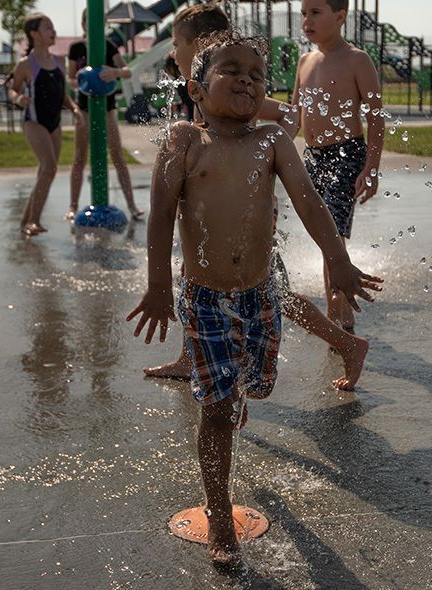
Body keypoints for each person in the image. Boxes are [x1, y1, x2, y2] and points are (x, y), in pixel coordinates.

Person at [126, 31, 383, 564]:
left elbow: (311, 205)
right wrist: (157, 286)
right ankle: (221, 521)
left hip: (261, 294)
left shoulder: (273, 141)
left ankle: (233, 395)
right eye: (231, 70)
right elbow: (159, 218)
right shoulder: (183, 141)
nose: (247, 79)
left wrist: (337, 261)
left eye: (257, 75)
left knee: (256, 388)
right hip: (206, 300)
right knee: (218, 412)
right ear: (197, 90)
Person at [145, 3, 370, 390]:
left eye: (177, 42)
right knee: (198, 279)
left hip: (247, 215)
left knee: (273, 291)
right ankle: (197, 361)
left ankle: (345, 343)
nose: (172, 51)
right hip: (205, 215)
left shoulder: (231, 84)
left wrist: (259, 169)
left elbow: (287, 116)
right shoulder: (192, 85)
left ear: (201, 44)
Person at [291, 0, 385, 333]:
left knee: (333, 236)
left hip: (345, 156)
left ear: (340, 17)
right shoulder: (305, 62)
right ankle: (336, 307)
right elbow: (294, 118)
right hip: (312, 157)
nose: (307, 20)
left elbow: (375, 119)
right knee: (323, 235)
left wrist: (370, 168)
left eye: (315, 13)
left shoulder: (357, 60)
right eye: (303, 13)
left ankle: (340, 315)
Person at [9, 13, 85, 237]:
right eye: (48, 28)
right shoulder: (26, 64)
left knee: (46, 171)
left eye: (53, 27)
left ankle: (25, 221)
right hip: (34, 122)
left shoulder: (59, 62)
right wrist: (18, 99)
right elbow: (13, 89)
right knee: (49, 167)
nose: (53, 31)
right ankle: (33, 220)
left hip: (54, 124)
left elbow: (62, 95)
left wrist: (74, 109)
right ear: (34, 35)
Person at [67, 8, 144, 221]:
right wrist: (82, 80)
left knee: (117, 155)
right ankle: (73, 206)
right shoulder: (76, 48)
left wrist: (115, 73)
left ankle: (132, 205)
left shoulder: (109, 47)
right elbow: (70, 78)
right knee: (79, 157)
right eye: (90, 22)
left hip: (107, 107)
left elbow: (127, 71)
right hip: (84, 107)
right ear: (84, 24)